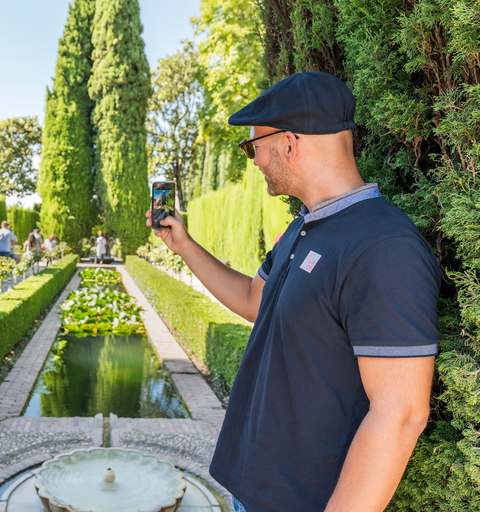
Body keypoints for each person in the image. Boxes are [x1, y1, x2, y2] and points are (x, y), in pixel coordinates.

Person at [147, 71, 440, 512]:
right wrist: (183, 245)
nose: (254, 160)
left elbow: (399, 416)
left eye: (253, 146)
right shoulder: (304, 227)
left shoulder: (384, 247)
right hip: (254, 489)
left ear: (290, 142)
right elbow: (253, 300)